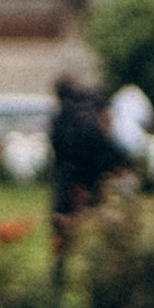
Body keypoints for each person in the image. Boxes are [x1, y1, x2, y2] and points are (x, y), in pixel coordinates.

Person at [46, 79, 119, 248]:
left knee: (63, 227)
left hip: (65, 177)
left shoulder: (62, 117)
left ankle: (61, 262)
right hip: (89, 181)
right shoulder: (91, 121)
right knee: (89, 223)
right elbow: (105, 156)